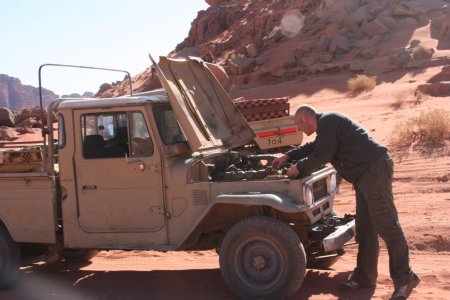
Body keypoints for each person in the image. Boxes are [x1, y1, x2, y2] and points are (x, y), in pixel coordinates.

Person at [271, 105, 420, 300]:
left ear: (306, 117)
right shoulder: (326, 126)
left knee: (388, 225)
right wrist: (288, 156)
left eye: (298, 125)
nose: (299, 130)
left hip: (373, 170)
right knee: (366, 228)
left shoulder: (329, 120)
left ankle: (405, 278)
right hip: (363, 175)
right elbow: (315, 147)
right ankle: (365, 277)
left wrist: (298, 168)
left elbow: (322, 155)